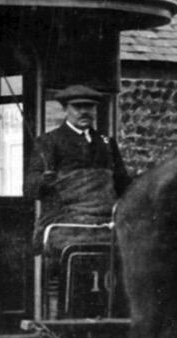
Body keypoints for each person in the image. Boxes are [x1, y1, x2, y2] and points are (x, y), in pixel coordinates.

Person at [25, 84, 131, 255]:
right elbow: (30, 188)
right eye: (77, 107)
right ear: (65, 110)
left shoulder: (107, 144)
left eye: (89, 107)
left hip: (104, 224)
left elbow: (122, 184)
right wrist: (43, 181)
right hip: (65, 225)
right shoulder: (49, 142)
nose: (84, 112)